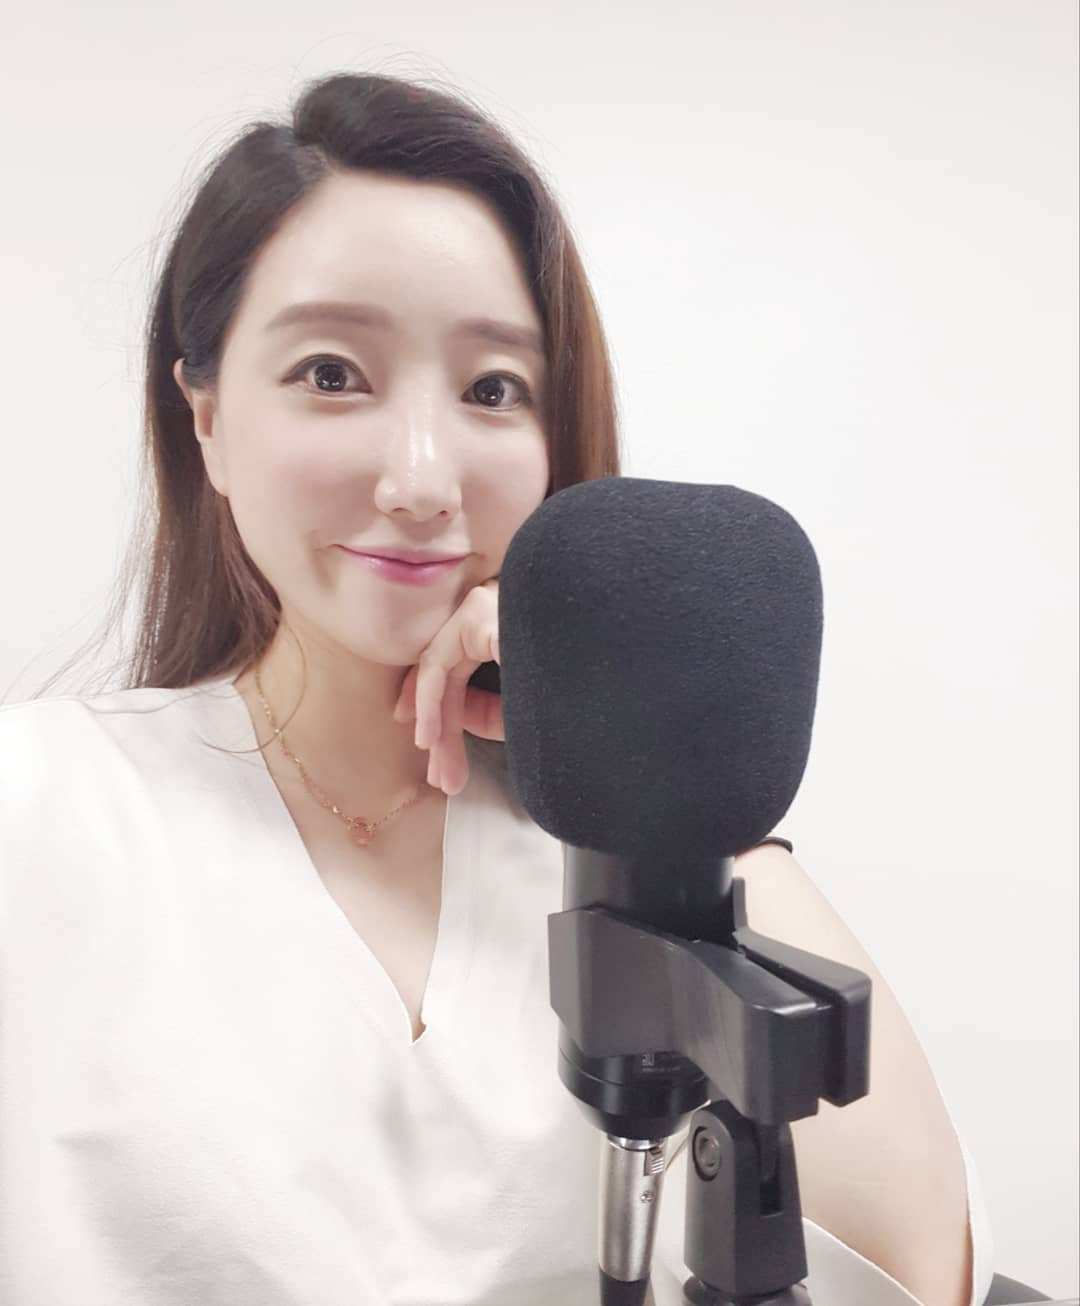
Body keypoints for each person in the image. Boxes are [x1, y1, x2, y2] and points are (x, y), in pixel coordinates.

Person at [0, 71, 993, 1306]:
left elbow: (920, 1269)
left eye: (491, 390)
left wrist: (653, 771)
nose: (423, 480)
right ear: (202, 414)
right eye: (331, 372)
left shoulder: (621, 855)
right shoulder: (41, 806)